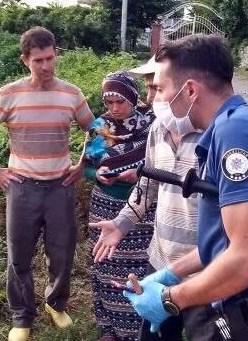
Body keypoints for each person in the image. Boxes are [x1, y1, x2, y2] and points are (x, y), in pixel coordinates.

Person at [120, 34, 248, 340]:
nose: (155, 100)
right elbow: (227, 241)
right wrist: (171, 273)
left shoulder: (236, 133)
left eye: (162, 89)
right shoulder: (230, 127)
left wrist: (170, 299)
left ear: (190, 89)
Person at [0, 26, 95, 341]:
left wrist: (83, 165)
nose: (46, 66)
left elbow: (94, 129)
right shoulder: (9, 93)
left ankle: (56, 303)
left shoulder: (71, 93)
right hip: (23, 187)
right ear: (24, 59)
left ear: (57, 55)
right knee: (19, 255)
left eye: (50, 58)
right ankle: (22, 318)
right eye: (38, 60)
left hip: (60, 186)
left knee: (63, 251)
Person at [89, 63, 222, 340]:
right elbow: (147, 186)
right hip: (160, 264)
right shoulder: (159, 130)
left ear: (188, 89)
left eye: (157, 88)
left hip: (205, 271)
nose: (149, 99)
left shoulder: (220, 136)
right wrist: (121, 223)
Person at [84, 72, 156, 341]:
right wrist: (97, 175)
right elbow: (87, 167)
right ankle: (109, 327)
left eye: (120, 102)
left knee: (139, 268)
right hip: (104, 204)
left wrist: (139, 174)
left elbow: (158, 164)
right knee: (104, 263)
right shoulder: (98, 126)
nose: (114, 109)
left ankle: (139, 327)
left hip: (141, 207)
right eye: (109, 102)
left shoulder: (149, 124)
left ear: (133, 99)